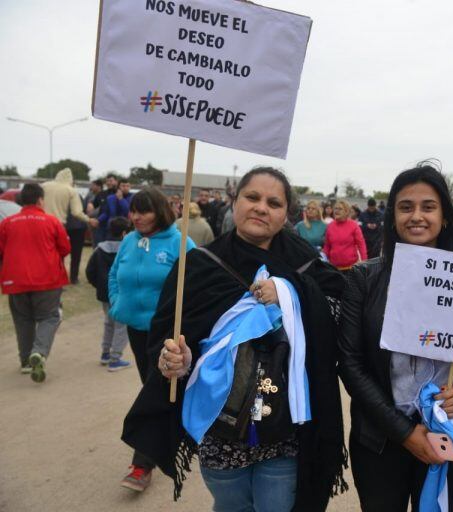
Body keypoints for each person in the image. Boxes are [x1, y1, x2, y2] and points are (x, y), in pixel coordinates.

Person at [123, 167, 347, 511]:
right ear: (235, 200)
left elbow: (339, 315)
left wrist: (290, 291)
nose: (261, 207)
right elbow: (167, 333)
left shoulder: (304, 264)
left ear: (286, 213)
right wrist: (176, 361)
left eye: (274, 202)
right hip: (221, 429)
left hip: (286, 430)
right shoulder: (198, 266)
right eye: (252, 197)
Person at [339, 164, 453, 512]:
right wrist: (405, 433)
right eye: (405, 206)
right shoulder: (363, 279)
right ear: (392, 215)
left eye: (428, 206)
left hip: (449, 432)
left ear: (444, 215)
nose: (417, 216)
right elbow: (351, 365)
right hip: (380, 439)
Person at [108, 187, 197, 492]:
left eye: (142, 211)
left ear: (159, 211)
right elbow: (113, 274)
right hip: (135, 327)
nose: (135, 217)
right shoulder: (130, 241)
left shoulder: (180, 242)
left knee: (152, 389)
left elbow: (199, 283)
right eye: (132, 210)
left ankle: (141, 464)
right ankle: (173, 434)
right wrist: (117, 302)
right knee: (151, 384)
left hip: (167, 333)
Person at [0, 183, 71, 382]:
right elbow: (65, 248)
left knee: (23, 321)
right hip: (47, 280)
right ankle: (39, 352)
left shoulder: (7, 223)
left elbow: (1, 250)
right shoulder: (51, 221)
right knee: (50, 317)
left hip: (15, 280)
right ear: (41, 199)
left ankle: (25, 362)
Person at [86, 216, 132, 371]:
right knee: (121, 326)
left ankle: (105, 353)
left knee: (109, 322)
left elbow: (89, 271)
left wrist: (99, 285)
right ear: (125, 232)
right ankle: (115, 358)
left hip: (105, 293)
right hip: (123, 293)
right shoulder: (129, 249)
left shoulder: (99, 249)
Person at [41, 168, 90, 284]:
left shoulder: (44, 186)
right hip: (72, 227)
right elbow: (78, 212)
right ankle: (73, 278)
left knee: (55, 255)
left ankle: (56, 277)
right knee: (75, 255)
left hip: (53, 225)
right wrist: (89, 220)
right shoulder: (73, 192)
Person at [323, 200, 367, 270]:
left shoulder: (354, 225)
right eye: (335, 208)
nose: (336, 211)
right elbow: (327, 246)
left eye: (340, 209)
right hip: (334, 268)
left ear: (347, 212)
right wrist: (324, 260)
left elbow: (361, 244)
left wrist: (364, 262)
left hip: (351, 268)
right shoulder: (330, 226)